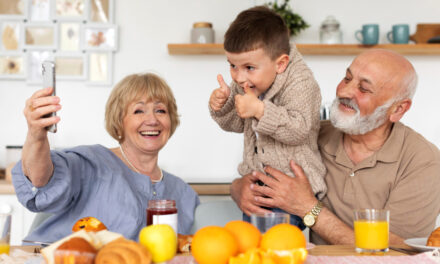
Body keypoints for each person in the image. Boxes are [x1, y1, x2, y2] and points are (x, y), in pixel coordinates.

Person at [230, 49, 440, 245]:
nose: (345, 91)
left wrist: (308, 208)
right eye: (347, 78)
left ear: (398, 109)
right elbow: (264, 171)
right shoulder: (309, 134)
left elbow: (396, 252)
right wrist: (239, 188)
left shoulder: (424, 161)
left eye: (364, 88)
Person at [12, 73, 200, 243]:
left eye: (161, 110)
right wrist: (36, 134)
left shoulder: (183, 194)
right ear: (119, 121)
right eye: (138, 111)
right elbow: (40, 179)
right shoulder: (91, 163)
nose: (152, 120)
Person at [209, 6, 327, 229]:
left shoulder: (301, 83)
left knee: (272, 245)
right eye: (232, 65)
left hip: (293, 186)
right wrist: (222, 106)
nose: (239, 76)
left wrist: (260, 110)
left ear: (280, 63)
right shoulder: (248, 80)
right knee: (256, 243)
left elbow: (299, 130)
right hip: (259, 185)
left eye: (249, 67)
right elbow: (235, 123)